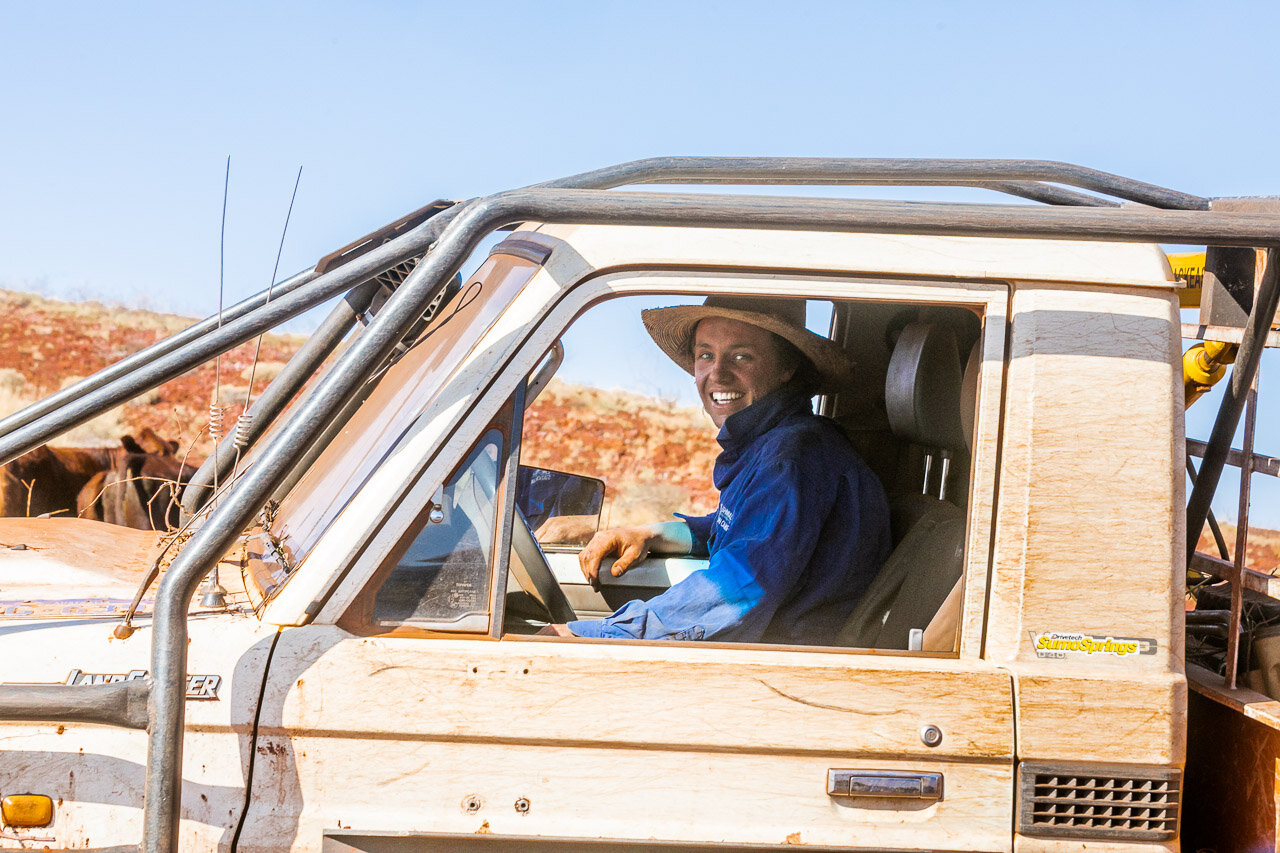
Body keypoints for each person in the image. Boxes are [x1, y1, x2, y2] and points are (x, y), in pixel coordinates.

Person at [539, 295, 891, 645]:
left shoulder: (792, 459)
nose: (717, 374)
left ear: (788, 368)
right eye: (706, 355)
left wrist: (593, 634)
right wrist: (651, 533)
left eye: (741, 356)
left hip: (784, 672)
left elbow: (740, 586)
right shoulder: (779, 444)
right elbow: (744, 528)